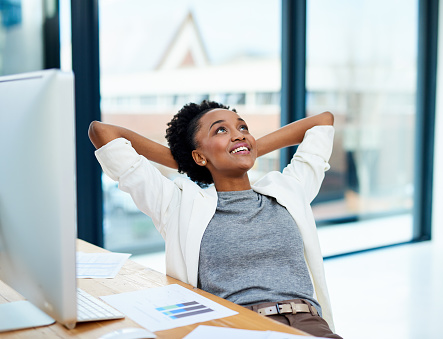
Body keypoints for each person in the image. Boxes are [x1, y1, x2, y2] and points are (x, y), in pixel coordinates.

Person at [89, 100, 342, 338]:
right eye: (220, 130)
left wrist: (244, 148)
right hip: (236, 327)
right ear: (199, 155)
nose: (239, 133)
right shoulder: (178, 205)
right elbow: (103, 133)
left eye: (243, 127)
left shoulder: (288, 190)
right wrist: (192, 161)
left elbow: (322, 122)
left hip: (308, 325)